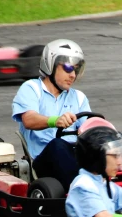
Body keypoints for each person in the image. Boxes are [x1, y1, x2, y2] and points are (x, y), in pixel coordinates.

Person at [12, 39, 90, 190]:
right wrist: (55, 121)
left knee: (111, 137)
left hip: (74, 155)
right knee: (58, 144)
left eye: (76, 70)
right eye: (68, 68)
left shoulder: (78, 97)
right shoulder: (32, 88)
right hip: (44, 161)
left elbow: (87, 130)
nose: (72, 75)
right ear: (51, 65)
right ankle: (84, 189)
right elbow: (28, 120)